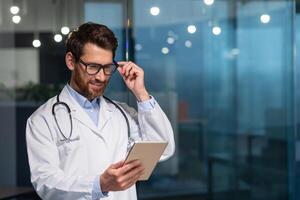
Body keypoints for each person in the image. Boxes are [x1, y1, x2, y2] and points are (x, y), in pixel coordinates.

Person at [26, 22, 175, 200]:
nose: (101, 77)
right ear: (71, 61)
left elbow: (162, 148)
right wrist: (99, 184)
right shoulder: (43, 119)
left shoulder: (123, 114)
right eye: (93, 67)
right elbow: (45, 182)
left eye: (107, 68)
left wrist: (141, 93)